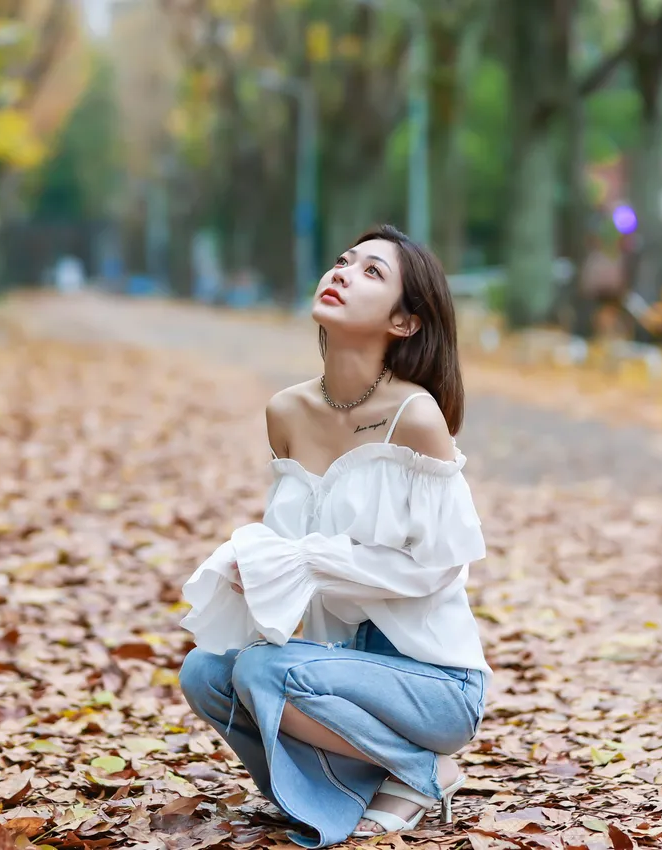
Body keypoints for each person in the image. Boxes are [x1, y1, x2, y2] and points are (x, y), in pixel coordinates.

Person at [177, 224, 491, 847]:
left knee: (264, 672)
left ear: (403, 322)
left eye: (372, 272)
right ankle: (353, 781)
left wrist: (314, 562)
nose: (343, 272)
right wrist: (256, 571)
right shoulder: (286, 412)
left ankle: (421, 770)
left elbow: (440, 567)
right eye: (344, 261)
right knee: (203, 674)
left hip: (434, 683)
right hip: (339, 669)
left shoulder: (416, 416)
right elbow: (290, 548)